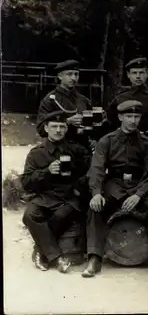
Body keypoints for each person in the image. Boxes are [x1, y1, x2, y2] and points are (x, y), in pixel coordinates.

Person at [83, 100, 148, 278]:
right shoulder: (107, 141)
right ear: (120, 117)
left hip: (140, 186)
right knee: (96, 206)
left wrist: (138, 195)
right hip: (115, 185)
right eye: (129, 116)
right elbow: (96, 169)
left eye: (136, 116)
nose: (133, 120)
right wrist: (96, 193)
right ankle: (94, 256)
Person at [21, 110, 91, 273]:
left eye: (62, 126)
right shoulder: (36, 153)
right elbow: (26, 183)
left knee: (61, 215)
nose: (58, 130)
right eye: (54, 127)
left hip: (70, 197)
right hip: (46, 197)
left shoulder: (77, 150)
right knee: (29, 215)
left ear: (66, 129)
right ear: (46, 128)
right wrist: (46, 172)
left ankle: (40, 251)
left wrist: (77, 187)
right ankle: (57, 257)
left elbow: (90, 174)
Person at [36, 60, 99, 151]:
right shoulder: (50, 100)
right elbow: (41, 129)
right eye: (69, 74)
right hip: (60, 149)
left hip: (82, 150)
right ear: (60, 76)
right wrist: (66, 121)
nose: (73, 78)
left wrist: (94, 139)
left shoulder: (84, 100)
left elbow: (92, 126)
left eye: (76, 74)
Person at [104, 57, 148, 146]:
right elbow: (110, 122)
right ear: (128, 75)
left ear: (147, 74)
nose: (138, 76)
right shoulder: (120, 98)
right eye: (134, 73)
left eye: (141, 72)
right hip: (123, 144)